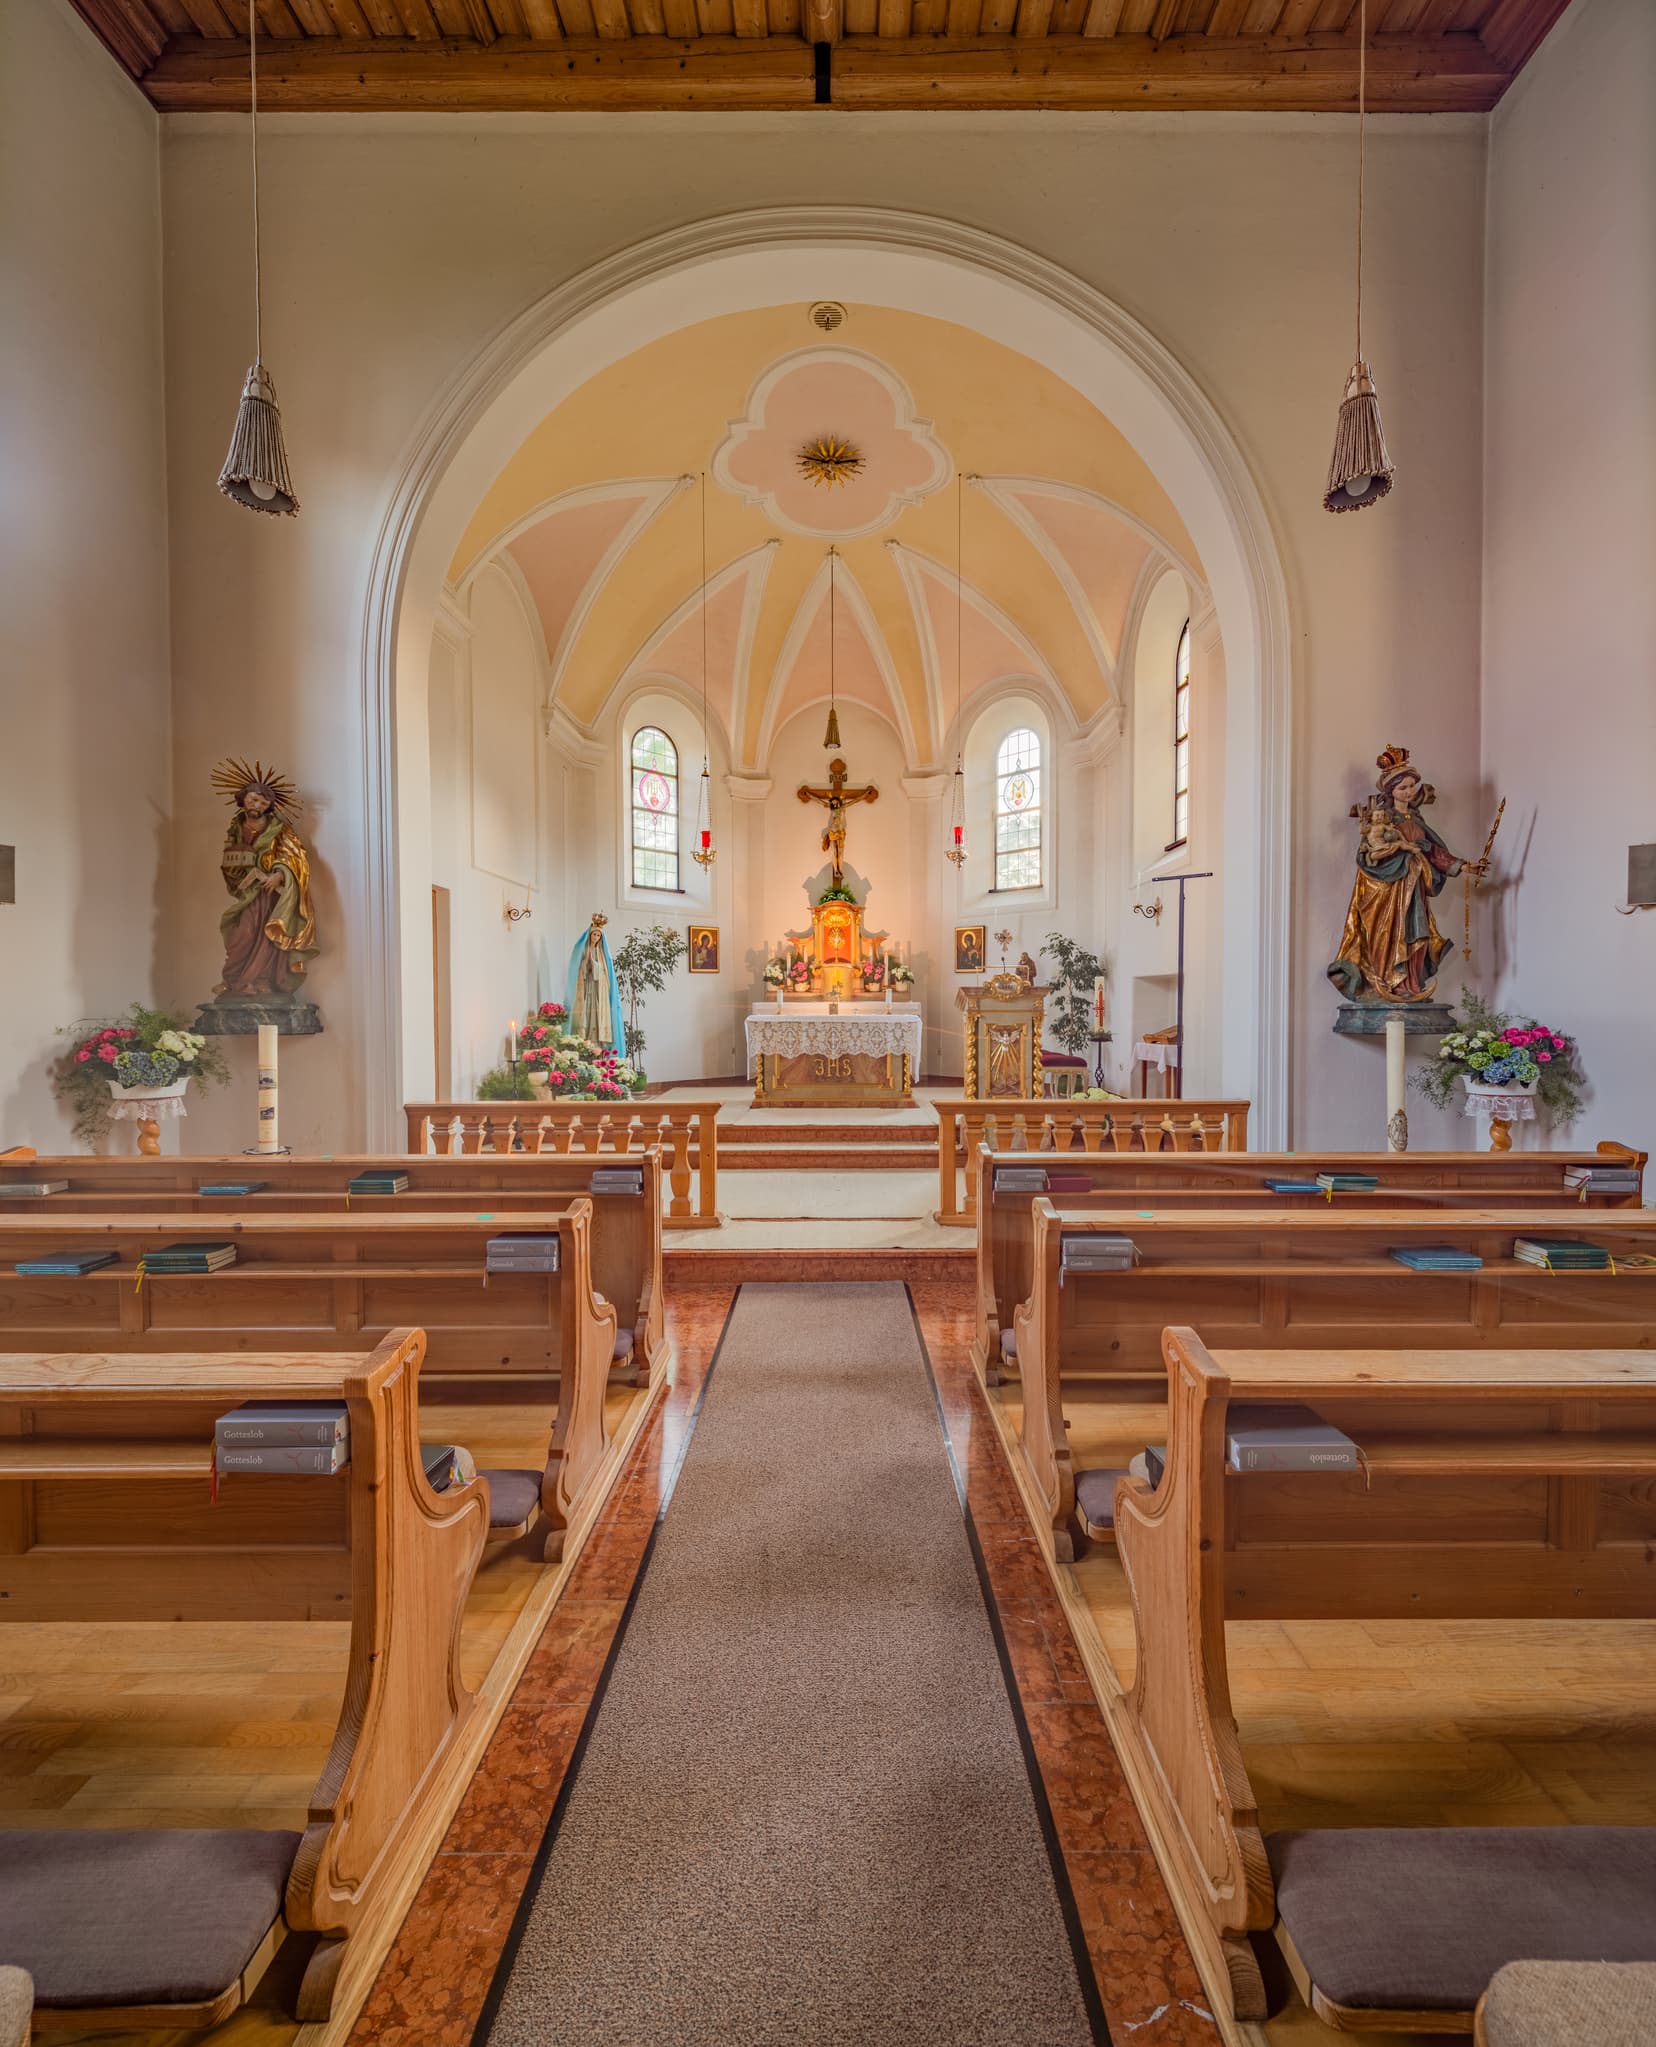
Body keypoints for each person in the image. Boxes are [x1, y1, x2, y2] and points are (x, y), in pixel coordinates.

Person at [1328, 746, 1485, 1005]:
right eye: (1402, 788)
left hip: (1413, 890)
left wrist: (1465, 866)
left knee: (1415, 933)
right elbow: (1369, 854)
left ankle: (1409, 984)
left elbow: (1433, 852)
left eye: (1412, 786)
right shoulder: (1382, 821)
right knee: (1387, 935)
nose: (1409, 792)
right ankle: (1386, 982)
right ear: (1391, 792)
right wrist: (1395, 854)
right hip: (1387, 892)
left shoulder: (1416, 818)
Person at [210, 760, 318, 1001]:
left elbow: (294, 858)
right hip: (247, 892)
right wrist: (235, 872)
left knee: (266, 936)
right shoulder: (236, 827)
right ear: (242, 799)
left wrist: (278, 874)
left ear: (269, 805)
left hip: (269, 895)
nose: (256, 804)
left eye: (261, 801)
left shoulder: (279, 829)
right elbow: (231, 858)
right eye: (252, 799)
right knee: (241, 936)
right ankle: (235, 980)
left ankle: (259, 981)